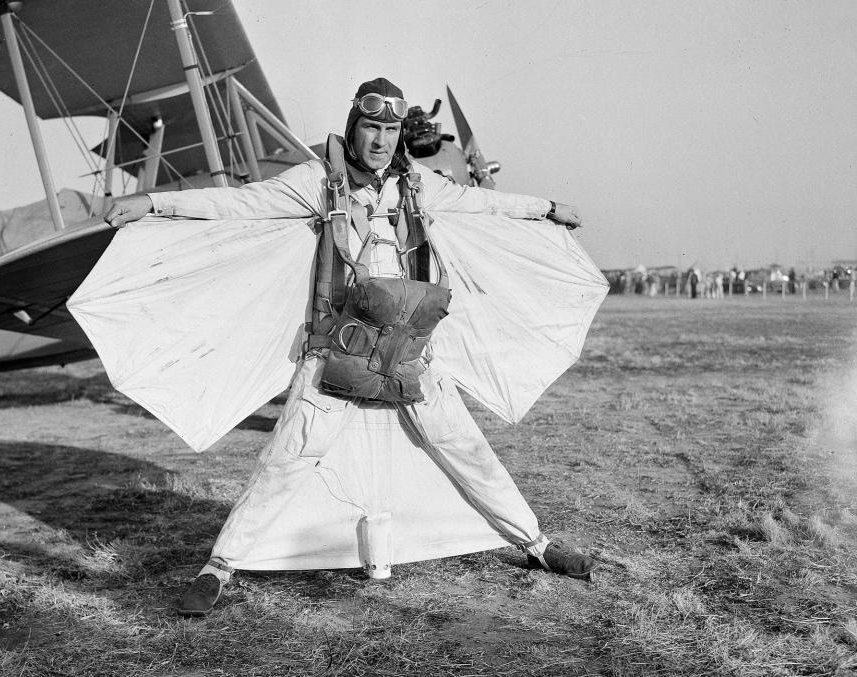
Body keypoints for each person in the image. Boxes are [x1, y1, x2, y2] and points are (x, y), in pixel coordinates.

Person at [104, 78, 598, 617]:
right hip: (337, 352)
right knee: (289, 458)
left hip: (407, 354)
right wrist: (153, 202)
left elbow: (484, 204)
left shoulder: (418, 187)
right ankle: (219, 567)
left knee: (463, 446)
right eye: (371, 128)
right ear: (353, 128)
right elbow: (238, 204)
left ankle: (536, 545)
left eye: (390, 130)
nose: (380, 141)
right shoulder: (317, 182)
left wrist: (547, 209)